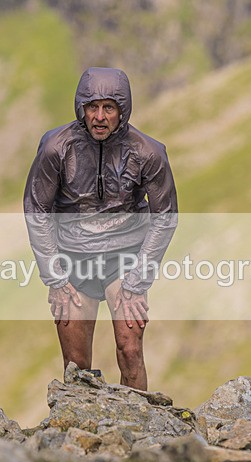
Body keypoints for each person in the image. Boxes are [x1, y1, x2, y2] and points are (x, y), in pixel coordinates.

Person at [23, 67, 177, 390]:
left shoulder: (148, 152)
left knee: (130, 350)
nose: (99, 116)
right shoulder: (56, 148)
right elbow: (37, 211)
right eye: (92, 107)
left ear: (123, 109)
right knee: (76, 368)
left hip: (125, 259)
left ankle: (138, 428)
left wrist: (138, 280)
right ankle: (81, 437)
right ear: (81, 108)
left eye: (109, 107)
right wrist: (55, 278)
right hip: (73, 260)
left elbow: (165, 216)